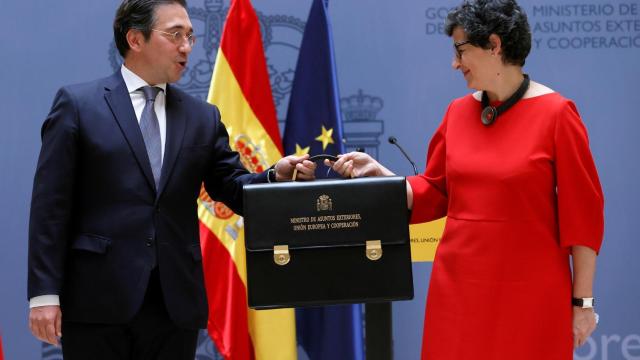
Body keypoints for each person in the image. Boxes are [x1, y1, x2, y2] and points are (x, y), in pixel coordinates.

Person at [27, 0, 316, 358]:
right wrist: (44, 294)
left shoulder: (202, 117)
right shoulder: (78, 105)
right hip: (97, 301)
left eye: (190, 37)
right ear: (135, 39)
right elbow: (50, 208)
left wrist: (275, 175)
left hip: (173, 305)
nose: (186, 47)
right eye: (175, 34)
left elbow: (232, 187)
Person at [327, 0, 603, 358]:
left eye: (461, 50)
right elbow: (436, 191)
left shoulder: (557, 114)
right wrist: (383, 178)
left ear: (494, 45)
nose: (455, 63)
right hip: (458, 291)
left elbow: (583, 217)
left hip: (532, 294)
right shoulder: (457, 113)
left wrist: (582, 303)